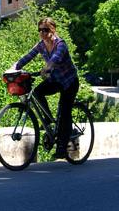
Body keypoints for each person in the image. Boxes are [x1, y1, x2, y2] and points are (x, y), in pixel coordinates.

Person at [11, 17, 79, 159]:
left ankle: (61, 148)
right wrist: (13, 68)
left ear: (53, 29)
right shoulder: (41, 45)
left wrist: (45, 69)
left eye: (46, 29)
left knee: (65, 112)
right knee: (36, 92)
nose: (42, 32)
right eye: (40, 30)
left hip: (69, 81)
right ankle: (48, 120)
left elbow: (54, 60)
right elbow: (27, 57)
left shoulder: (61, 44)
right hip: (55, 79)